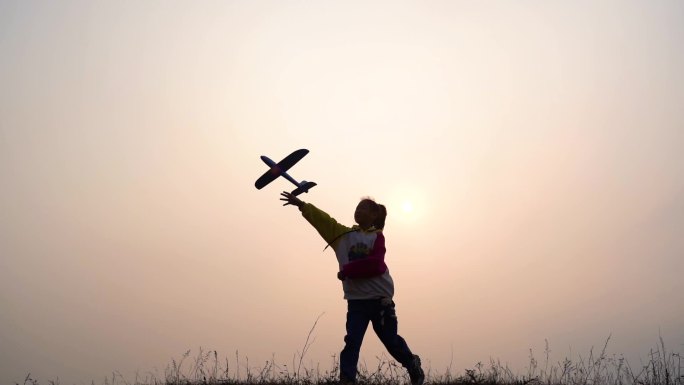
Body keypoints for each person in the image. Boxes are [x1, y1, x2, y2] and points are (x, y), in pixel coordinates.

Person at [280, 191, 425, 385]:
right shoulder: (343, 236)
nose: (358, 211)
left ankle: (411, 362)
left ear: (374, 215)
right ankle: (347, 379)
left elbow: (376, 265)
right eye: (357, 208)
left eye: (363, 208)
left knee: (391, 341)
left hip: (380, 300)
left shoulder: (377, 238)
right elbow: (325, 221)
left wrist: (347, 270)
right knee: (352, 342)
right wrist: (302, 205)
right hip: (356, 302)